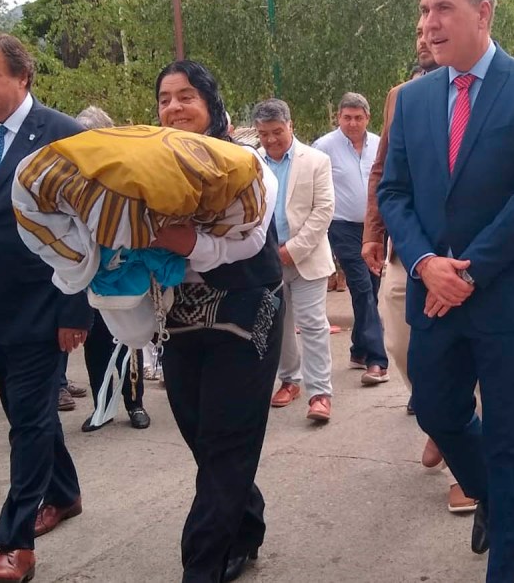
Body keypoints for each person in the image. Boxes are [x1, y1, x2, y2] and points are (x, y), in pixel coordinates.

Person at [378, 0, 514, 582]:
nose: (428, 23)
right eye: (423, 10)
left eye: (443, 8)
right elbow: (394, 192)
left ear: (482, 13)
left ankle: (504, 566)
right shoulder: (412, 99)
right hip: (433, 294)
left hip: (507, 296)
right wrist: (426, 263)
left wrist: (469, 272)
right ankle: (490, 493)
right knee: (437, 411)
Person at [0, 34, 91, 582]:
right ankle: (65, 493)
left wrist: (75, 310)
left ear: (23, 77)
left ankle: (15, 543)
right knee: (30, 412)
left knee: (26, 420)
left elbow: (85, 230)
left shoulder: (64, 136)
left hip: (43, 306)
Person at [151, 60, 284, 582]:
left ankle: (200, 566)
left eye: (186, 96)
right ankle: (246, 524)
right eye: (165, 98)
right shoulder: (151, 168)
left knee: (228, 440)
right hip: (180, 318)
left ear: (211, 103)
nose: (174, 107)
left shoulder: (246, 162)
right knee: (202, 436)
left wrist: (186, 243)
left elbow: (249, 241)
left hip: (247, 312)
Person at [365, 20, 478, 513]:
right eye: (417, 29)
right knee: (399, 343)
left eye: (439, 19)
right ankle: (444, 420)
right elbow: (384, 171)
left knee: (469, 356)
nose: (426, 36)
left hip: (472, 256)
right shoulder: (402, 97)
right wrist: (373, 232)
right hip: (408, 251)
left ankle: (466, 468)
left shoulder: (493, 87)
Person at [70, 106, 151, 432]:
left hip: (125, 267)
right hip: (92, 272)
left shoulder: (125, 169)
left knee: (129, 339)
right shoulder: (74, 174)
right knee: (96, 343)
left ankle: (135, 404)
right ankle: (101, 407)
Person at [256, 99, 337, 422]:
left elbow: (324, 210)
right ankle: (290, 380)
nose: (271, 139)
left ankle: (320, 394)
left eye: (277, 131)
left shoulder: (316, 160)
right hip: (265, 260)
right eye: (264, 134)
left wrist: (292, 250)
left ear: (290, 126)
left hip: (306, 258)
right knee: (278, 325)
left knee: (313, 324)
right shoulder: (251, 162)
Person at [312, 93, 390, 384]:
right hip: (342, 226)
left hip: (375, 229)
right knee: (361, 287)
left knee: (372, 288)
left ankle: (359, 350)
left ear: (368, 118)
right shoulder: (324, 147)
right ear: (339, 118)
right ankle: (377, 361)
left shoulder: (380, 145)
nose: (353, 123)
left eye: (358, 117)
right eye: (347, 117)